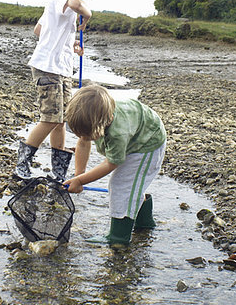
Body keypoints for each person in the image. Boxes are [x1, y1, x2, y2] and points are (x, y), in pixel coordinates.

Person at [13, 0, 106, 182]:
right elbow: (75, 5)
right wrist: (88, 13)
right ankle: (21, 164)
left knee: (61, 118)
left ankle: (58, 170)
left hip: (59, 68)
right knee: (51, 118)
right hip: (48, 68)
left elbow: (39, 29)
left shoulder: (62, 0)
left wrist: (69, 43)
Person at [63, 84, 167, 245]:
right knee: (133, 185)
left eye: (89, 134)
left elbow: (111, 163)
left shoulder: (118, 133)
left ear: (104, 123)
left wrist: (81, 182)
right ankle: (144, 225)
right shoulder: (97, 116)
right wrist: (79, 175)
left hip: (147, 143)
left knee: (122, 186)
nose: (84, 137)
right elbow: (83, 143)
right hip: (137, 134)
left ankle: (119, 237)